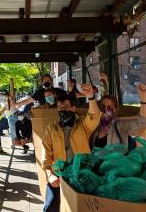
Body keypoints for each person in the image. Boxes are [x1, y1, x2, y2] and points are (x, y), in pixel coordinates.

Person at [41, 84, 101, 212]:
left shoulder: (83, 125)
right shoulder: (52, 128)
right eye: (59, 108)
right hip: (59, 175)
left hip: (82, 174)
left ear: (74, 108)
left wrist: (90, 96)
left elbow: (94, 117)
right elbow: (45, 154)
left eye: (66, 107)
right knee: (50, 206)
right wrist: (50, 175)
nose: (62, 110)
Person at [90, 83, 146, 149]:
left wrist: (143, 101)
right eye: (103, 107)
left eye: (109, 107)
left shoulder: (121, 125)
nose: (106, 110)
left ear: (115, 110)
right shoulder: (93, 126)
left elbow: (142, 121)